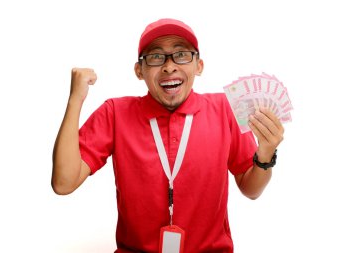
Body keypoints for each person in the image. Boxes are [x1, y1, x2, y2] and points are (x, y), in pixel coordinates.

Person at [52, 18, 284, 253]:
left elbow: (251, 189)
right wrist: (75, 100)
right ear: (138, 71)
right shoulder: (114, 113)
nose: (169, 66)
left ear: (199, 65)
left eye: (181, 54)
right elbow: (63, 183)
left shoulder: (226, 109)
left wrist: (265, 155)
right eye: (155, 57)